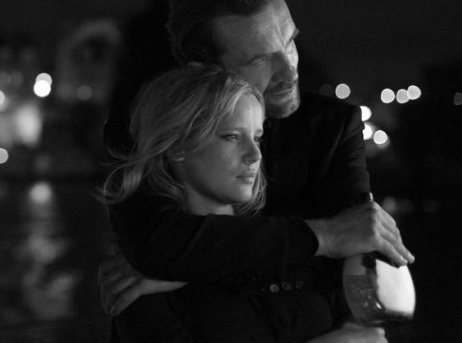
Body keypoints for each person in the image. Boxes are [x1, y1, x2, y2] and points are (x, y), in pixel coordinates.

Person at [99, 0, 414, 341]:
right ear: (205, 70)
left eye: (290, 41)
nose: (289, 70)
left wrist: (194, 268)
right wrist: (325, 238)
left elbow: (362, 255)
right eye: (260, 59)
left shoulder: (332, 127)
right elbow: (156, 245)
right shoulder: (146, 126)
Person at [101, 64, 386, 342]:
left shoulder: (297, 236)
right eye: (232, 136)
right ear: (177, 145)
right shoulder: (137, 281)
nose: (255, 155)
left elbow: (374, 321)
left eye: (257, 138)